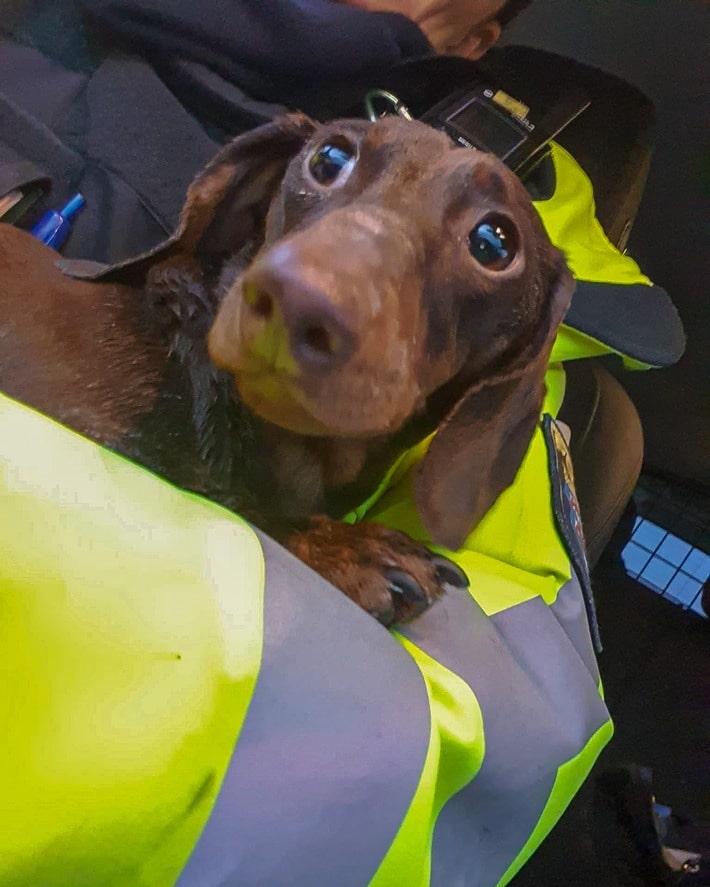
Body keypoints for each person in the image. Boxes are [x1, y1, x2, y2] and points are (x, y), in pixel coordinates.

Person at [0, 2, 686, 885]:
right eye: (329, 164)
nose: (314, 285)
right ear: (242, 210)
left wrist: (291, 556)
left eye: (489, 245)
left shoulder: (542, 215)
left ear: (477, 38)